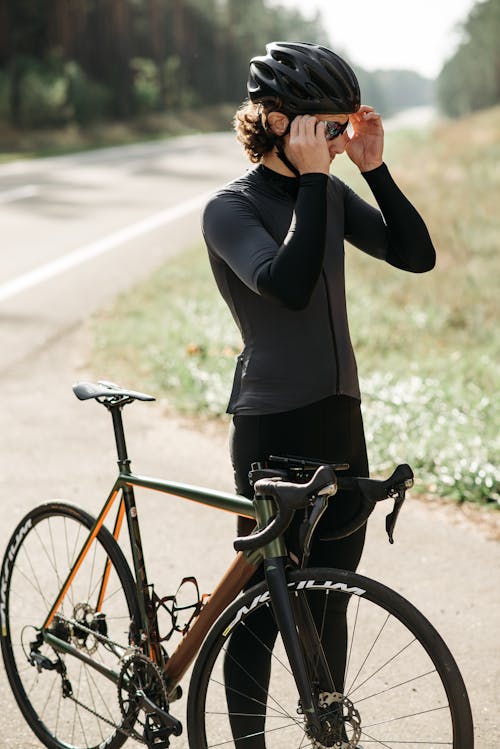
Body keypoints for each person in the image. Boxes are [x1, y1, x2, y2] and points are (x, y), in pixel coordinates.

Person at [202, 41, 435, 748]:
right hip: (273, 427)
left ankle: (327, 736)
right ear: (278, 122)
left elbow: (415, 254)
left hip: (340, 421)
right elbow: (289, 281)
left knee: (330, 597)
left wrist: (374, 168)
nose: (336, 143)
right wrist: (311, 181)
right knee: (263, 611)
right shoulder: (228, 210)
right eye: (327, 130)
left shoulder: (330, 191)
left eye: (343, 129)